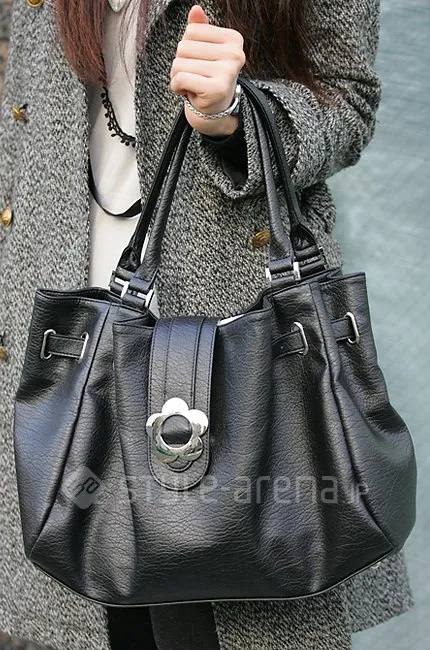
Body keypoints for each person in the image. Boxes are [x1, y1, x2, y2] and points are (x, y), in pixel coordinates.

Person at [0, 1, 414, 649]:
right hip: (68, 337)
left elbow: (348, 99)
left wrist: (236, 115)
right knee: (80, 615)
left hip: (243, 353)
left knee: (224, 621)